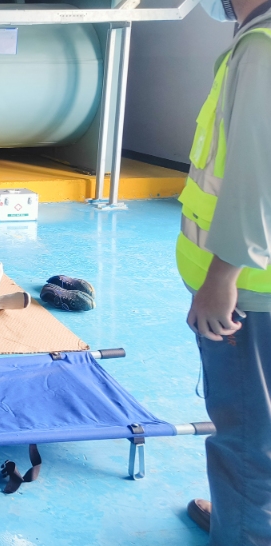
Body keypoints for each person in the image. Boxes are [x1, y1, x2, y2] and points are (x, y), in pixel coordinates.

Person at [176, 0, 271, 542]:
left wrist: (221, 279)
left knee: (246, 433)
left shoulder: (260, 50)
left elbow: (256, 175)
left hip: (250, 292)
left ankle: (245, 531)